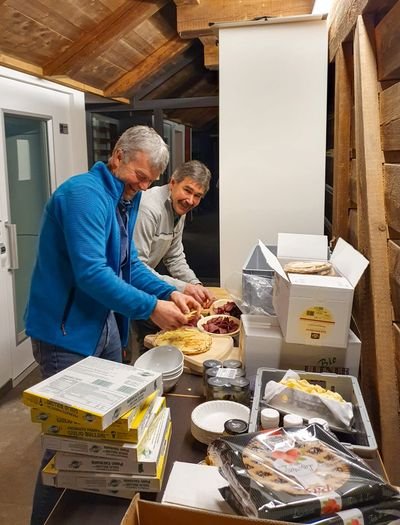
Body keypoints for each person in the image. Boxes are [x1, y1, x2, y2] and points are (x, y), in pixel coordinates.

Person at [25, 125, 200, 524]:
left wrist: (168, 292)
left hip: (100, 326)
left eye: (149, 182)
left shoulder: (125, 198)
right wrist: (150, 307)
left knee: (107, 436)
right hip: (64, 334)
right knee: (67, 446)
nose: (141, 187)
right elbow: (91, 273)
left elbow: (128, 264)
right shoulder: (83, 194)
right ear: (118, 156)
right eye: (139, 177)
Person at [133, 160, 215, 307]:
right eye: (187, 190)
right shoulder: (148, 208)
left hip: (146, 284)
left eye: (197, 196)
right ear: (173, 183)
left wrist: (195, 284)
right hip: (127, 288)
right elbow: (136, 265)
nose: (190, 201)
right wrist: (183, 288)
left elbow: (174, 257)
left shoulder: (179, 206)